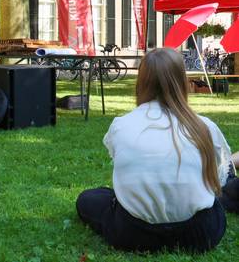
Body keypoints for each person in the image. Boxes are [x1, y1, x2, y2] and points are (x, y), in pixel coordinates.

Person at [76, 47, 235, 253]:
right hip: (200, 233)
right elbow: (219, 181)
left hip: (134, 234)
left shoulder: (122, 125)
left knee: (89, 199)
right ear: (181, 82)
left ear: (141, 82)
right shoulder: (204, 126)